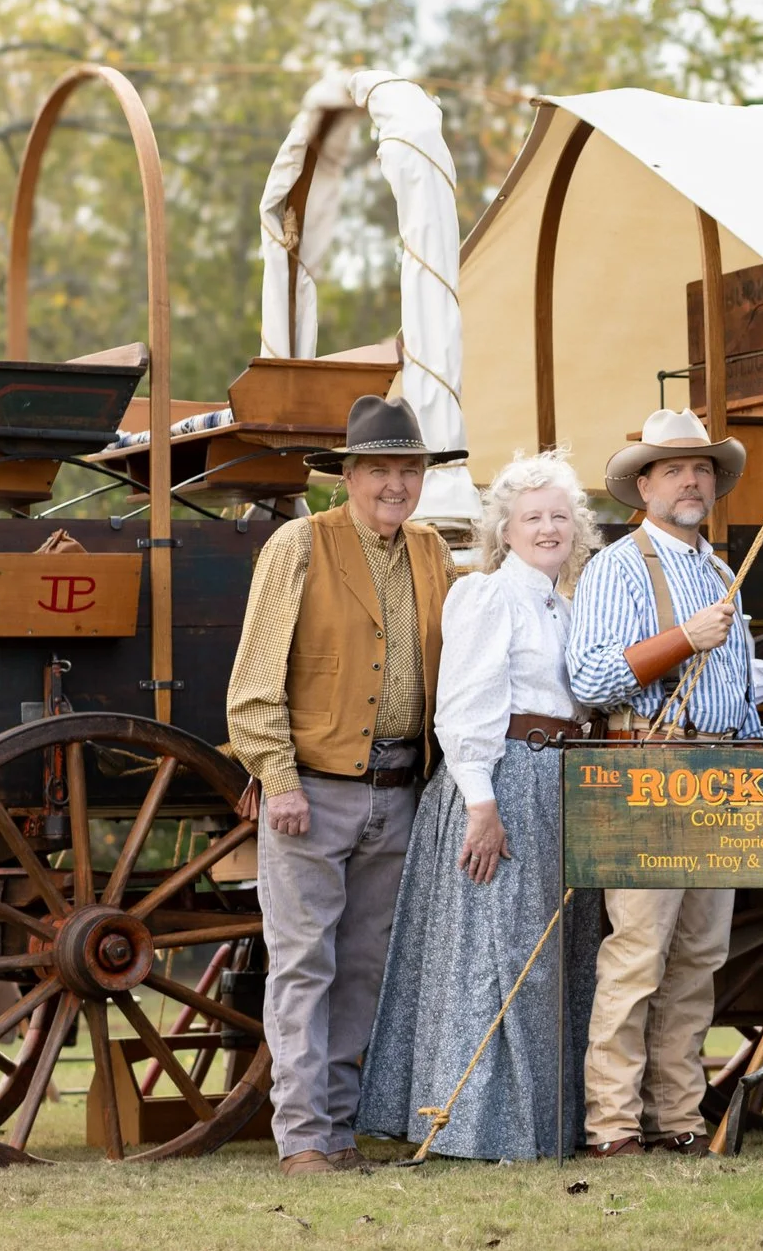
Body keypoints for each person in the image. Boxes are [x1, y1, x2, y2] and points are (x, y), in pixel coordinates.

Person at [227, 394, 462, 1177]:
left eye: (409, 469)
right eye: (381, 470)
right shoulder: (300, 544)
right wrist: (278, 777)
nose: (396, 484)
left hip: (400, 792)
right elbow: (255, 680)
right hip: (310, 794)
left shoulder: (433, 552)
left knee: (366, 966)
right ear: (349, 476)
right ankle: (301, 1139)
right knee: (302, 966)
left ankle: (340, 1131)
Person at [359, 449, 605, 1161]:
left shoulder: (568, 603)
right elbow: (465, 705)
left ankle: (544, 1126)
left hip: (561, 782)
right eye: (533, 517)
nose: (549, 527)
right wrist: (480, 803)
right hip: (501, 776)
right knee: (492, 954)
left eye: (560, 515)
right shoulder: (487, 595)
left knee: (550, 956)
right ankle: (471, 1127)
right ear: (506, 529)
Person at [565, 409, 759, 1158]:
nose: (691, 479)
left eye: (703, 467)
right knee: (638, 953)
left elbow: (739, 697)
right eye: (674, 468)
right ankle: (612, 1126)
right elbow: (588, 675)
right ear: (642, 484)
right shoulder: (617, 565)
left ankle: (678, 1119)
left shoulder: (720, 571)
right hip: (648, 766)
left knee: (699, 957)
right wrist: (683, 639)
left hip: (719, 772)